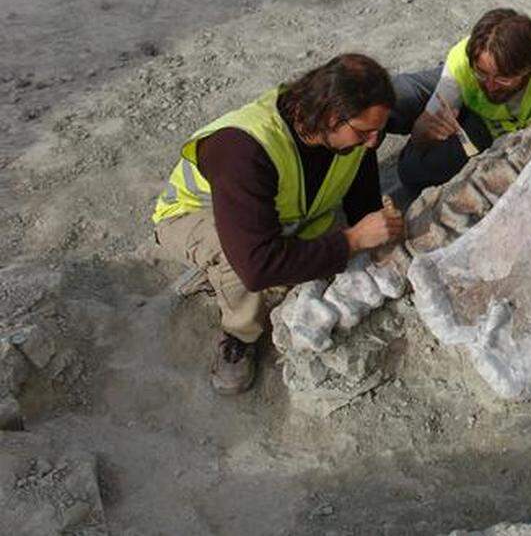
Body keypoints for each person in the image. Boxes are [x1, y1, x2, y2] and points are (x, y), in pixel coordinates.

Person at [151, 54, 406, 395]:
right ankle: (239, 336)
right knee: (241, 265)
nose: (374, 141)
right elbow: (258, 267)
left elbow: (362, 201)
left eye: (378, 130)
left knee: (324, 250)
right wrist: (352, 240)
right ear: (331, 116)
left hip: (287, 215)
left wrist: (378, 234)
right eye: (364, 132)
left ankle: (270, 261)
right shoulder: (242, 148)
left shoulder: (352, 134)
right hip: (195, 213)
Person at [395, 8, 531, 199]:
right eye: (482, 73)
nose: (490, 86)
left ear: (529, 68)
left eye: (503, 78)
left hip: (490, 128)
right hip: (464, 93)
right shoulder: (463, 60)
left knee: (415, 173)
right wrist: (422, 131)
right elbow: (428, 122)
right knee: (394, 95)